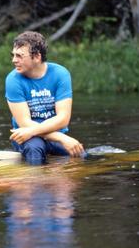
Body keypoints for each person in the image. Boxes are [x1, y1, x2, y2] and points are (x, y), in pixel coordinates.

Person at [5, 31, 85, 165]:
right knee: (35, 148)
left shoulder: (60, 74)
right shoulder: (13, 80)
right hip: (26, 137)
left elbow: (63, 119)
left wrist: (60, 138)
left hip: (51, 133)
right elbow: (24, 123)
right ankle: (36, 182)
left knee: (81, 155)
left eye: (19, 56)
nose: (14, 60)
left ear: (36, 56)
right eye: (13, 55)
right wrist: (61, 138)